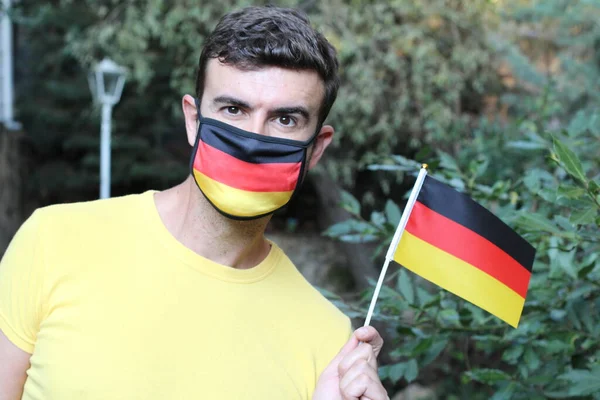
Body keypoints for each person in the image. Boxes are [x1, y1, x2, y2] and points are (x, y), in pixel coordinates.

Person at [0, 6, 388, 400]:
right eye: (233, 109)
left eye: (285, 120)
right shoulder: (53, 241)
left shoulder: (329, 342)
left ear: (316, 149)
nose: (253, 141)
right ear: (193, 119)